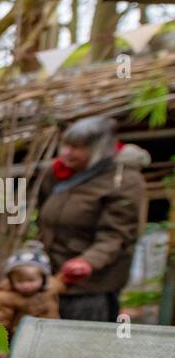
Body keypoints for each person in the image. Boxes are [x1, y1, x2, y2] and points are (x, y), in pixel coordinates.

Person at [35, 116, 147, 322]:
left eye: (76, 148)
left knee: (84, 346)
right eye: (65, 145)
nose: (66, 153)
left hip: (91, 285)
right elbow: (42, 215)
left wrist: (88, 262)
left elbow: (117, 233)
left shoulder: (122, 180)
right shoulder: (57, 173)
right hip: (53, 276)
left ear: (100, 149)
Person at [0, 243, 61, 337]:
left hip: (47, 338)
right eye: (20, 281)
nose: (26, 285)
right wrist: (0, 348)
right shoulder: (4, 298)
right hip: (19, 341)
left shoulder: (50, 291)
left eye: (31, 280)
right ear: (10, 280)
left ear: (43, 278)